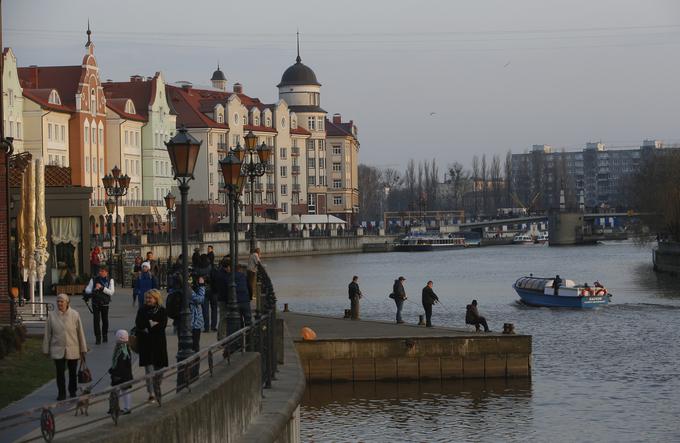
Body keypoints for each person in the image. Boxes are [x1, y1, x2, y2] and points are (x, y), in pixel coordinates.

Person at [43, 294, 88, 400]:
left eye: (62, 301)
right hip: (57, 349)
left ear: (67, 302)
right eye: (58, 301)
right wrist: (45, 349)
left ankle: (72, 391)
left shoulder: (75, 314)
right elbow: (47, 333)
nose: (59, 303)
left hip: (72, 348)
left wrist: (83, 349)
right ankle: (61, 393)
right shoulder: (51, 316)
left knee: (73, 373)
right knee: (60, 373)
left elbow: (80, 333)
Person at [135, 289, 168, 402]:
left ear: (156, 299)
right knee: (149, 370)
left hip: (159, 343)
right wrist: (152, 324)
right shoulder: (142, 310)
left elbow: (163, 325)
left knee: (160, 369)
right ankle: (151, 393)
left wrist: (149, 325)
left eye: (150, 298)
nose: (148, 300)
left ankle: (157, 386)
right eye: (147, 298)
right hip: (146, 344)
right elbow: (139, 324)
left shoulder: (162, 311)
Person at [84, 266, 115, 344]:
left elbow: (111, 292)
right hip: (95, 302)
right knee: (96, 320)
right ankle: (98, 337)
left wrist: (102, 288)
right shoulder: (94, 279)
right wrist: (94, 289)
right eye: (100, 271)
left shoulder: (110, 280)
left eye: (103, 271)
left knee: (105, 320)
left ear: (107, 273)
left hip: (105, 302)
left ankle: (105, 336)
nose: (101, 272)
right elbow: (88, 289)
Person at [109, 329, 133, 415]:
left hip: (120, 376)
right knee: (123, 391)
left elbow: (120, 365)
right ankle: (116, 407)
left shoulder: (121, 351)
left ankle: (126, 408)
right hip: (125, 375)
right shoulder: (125, 349)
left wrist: (113, 371)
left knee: (122, 391)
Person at [195, 254, 217, 333]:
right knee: (214, 308)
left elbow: (195, 279)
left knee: (205, 310)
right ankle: (213, 326)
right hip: (213, 290)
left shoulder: (197, 268)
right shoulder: (211, 266)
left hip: (203, 290)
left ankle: (206, 327)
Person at [211, 257, 231, 340]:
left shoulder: (219, 273)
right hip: (224, 299)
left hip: (220, 298)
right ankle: (222, 337)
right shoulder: (224, 276)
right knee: (224, 319)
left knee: (222, 318)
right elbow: (226, 288)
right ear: (228, 267)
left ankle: (220, 336)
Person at [190, 277, 206, 352]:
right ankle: (195, 363)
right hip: (194, 323)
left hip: (186, 323)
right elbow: (200, 299)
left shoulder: (178, 288)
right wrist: (202, 285)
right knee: (195, 345)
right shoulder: (188, 290)